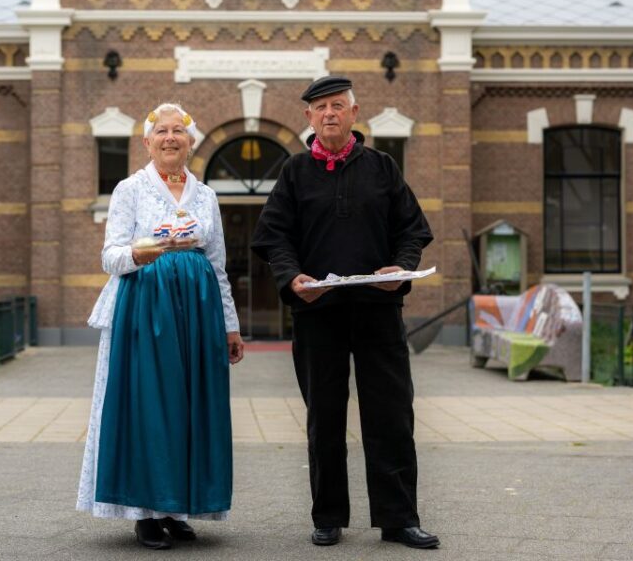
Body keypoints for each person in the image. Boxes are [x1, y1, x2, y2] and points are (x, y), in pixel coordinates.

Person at [250, 76, 438, 549]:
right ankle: (328, 516)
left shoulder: (383, 168)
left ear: (355, 114)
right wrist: (292, 278)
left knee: (392, 416)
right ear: (309, 118)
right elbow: (274, 238)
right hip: (318, 314)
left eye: (338, 105)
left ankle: (398, 518)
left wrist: (404, 267)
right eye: (320, 108)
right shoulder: (293, 172)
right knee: (324, 418)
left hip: (379, 311)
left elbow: (412, 231)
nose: (329, 113)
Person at [78, 102, 244, 550]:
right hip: (144, 308)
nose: (171, 138)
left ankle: (177, 506)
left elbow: (218, 264)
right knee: (150, 406)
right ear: (147, 142)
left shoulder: (205, 196)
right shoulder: (130, 189)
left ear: (191, 141)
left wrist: (230, 325)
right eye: (162, 131)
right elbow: (110, 256)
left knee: (192, 406)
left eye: (179, 131)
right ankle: (145, 511)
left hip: (198, 309)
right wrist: (141, 252)